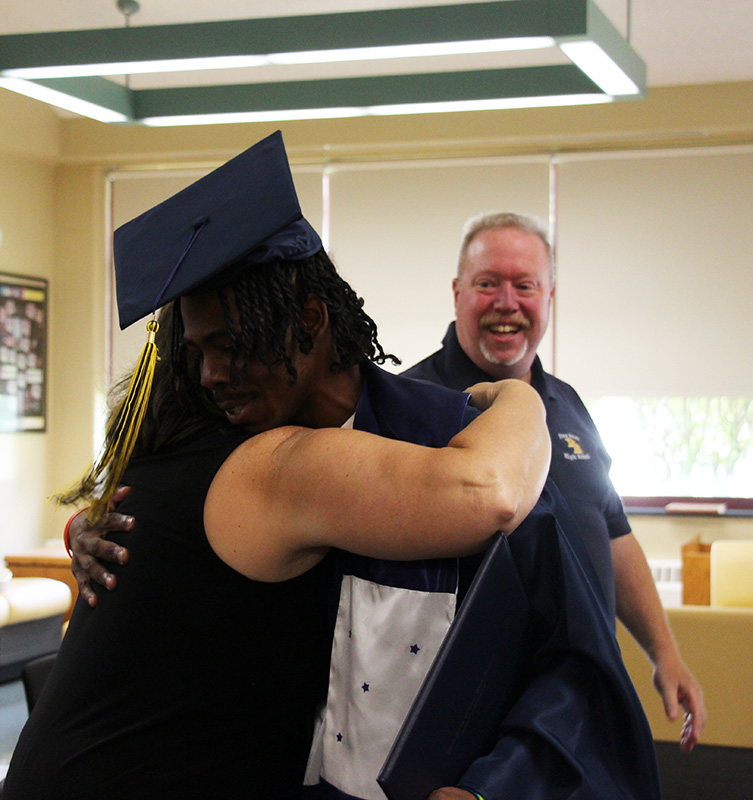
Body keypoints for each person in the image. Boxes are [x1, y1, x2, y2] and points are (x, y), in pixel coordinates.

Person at [59, 142, 663, 800]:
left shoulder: (449, 444)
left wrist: (494, 786)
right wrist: (93, 532)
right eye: (199, 351)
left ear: (310, 322)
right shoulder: (231, 455)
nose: (209, 376)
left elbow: (574, 664)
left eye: (232, 346)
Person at [403, 210, 706, 752]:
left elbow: (611, 533)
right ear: (456, 292)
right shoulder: (409, 407)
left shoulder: (568, 404)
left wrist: (665, 653)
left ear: (548, 299)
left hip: (576, 709)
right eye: (487, 284)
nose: (506, 303)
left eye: (525, 286)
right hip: (468, 726)